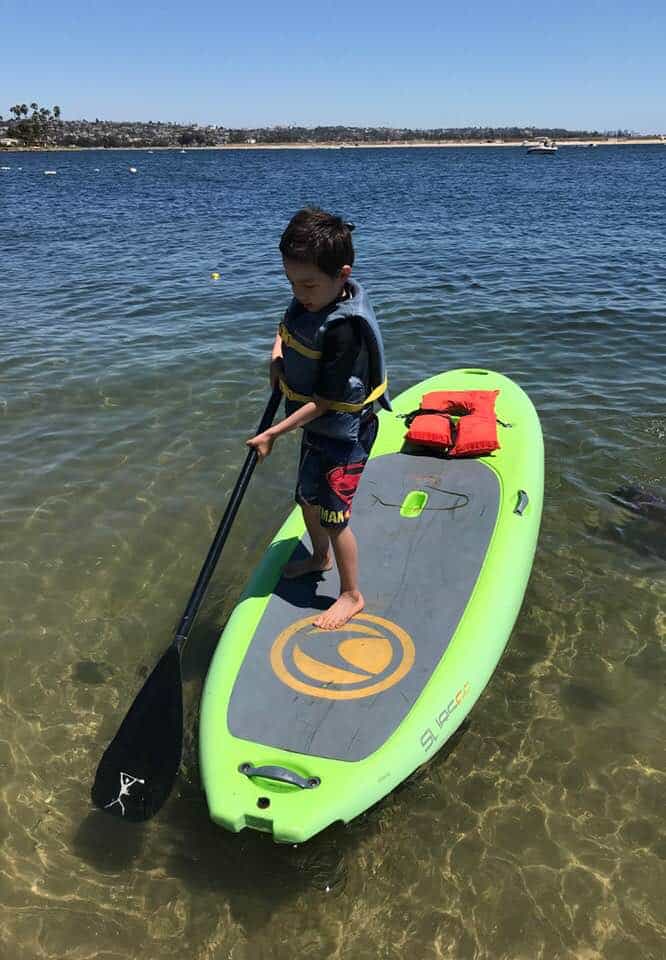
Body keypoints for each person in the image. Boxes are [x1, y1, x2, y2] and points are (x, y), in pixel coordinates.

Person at [246, 207, 391, 630]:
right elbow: (287, 327)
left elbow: (326, 401)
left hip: (345, 435)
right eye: (292, 283)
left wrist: (272, 433)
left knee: (334, 515)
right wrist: (276, 358)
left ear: (343, 274)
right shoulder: (310, 297)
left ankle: (351, 594)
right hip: (315, 429)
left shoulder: (344, 329)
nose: (300, 292)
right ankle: (317, 557)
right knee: (306, 500)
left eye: (308, 284)